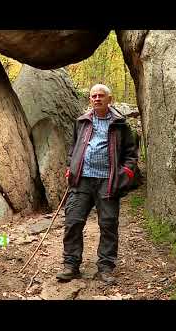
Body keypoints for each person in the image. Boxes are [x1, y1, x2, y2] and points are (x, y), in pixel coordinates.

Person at [56, 84, 138, 284]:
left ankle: (106, 268)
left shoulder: (120, 124)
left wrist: (124, 173)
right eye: (94, 96)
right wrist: (71, 166)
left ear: (109, 99)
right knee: (73, 222)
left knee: (108, 224)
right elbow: (74, 147)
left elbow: (131, 154)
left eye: (101, 96)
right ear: (90, 99)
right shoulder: (82, 122)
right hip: (81, 179)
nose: (97, 99)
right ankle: (71, 265)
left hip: (108, 181)